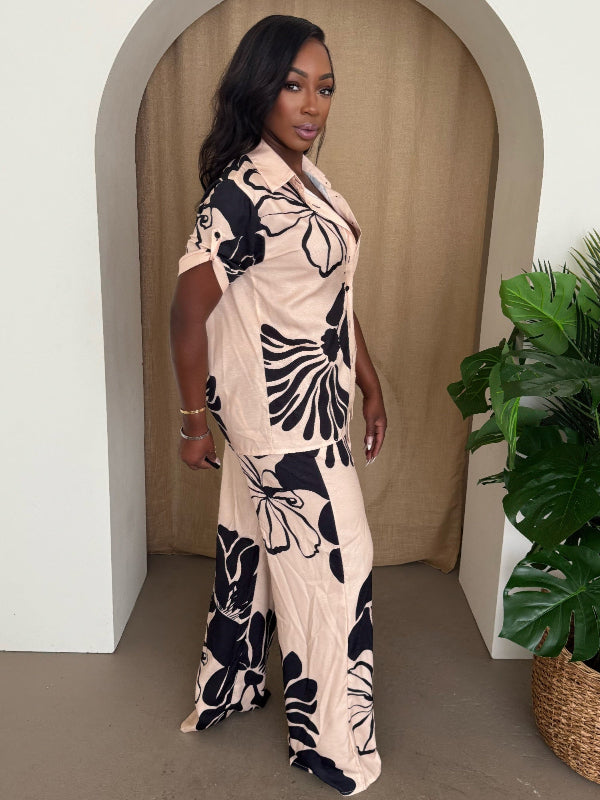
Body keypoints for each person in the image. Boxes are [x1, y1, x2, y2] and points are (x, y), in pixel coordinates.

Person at [169, 14, 387, 796]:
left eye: (324, 87)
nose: (312, 103)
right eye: (294, 85)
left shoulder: (312, 181)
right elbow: (187, 312)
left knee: (254, 546)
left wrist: (369, 379)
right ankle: (331, 743)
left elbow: (331, 292)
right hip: (273, 416)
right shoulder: (242, 193)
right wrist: (194, 423)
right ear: (259, 87)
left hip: (314, 402)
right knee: (336, 567)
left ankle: (229, 686)